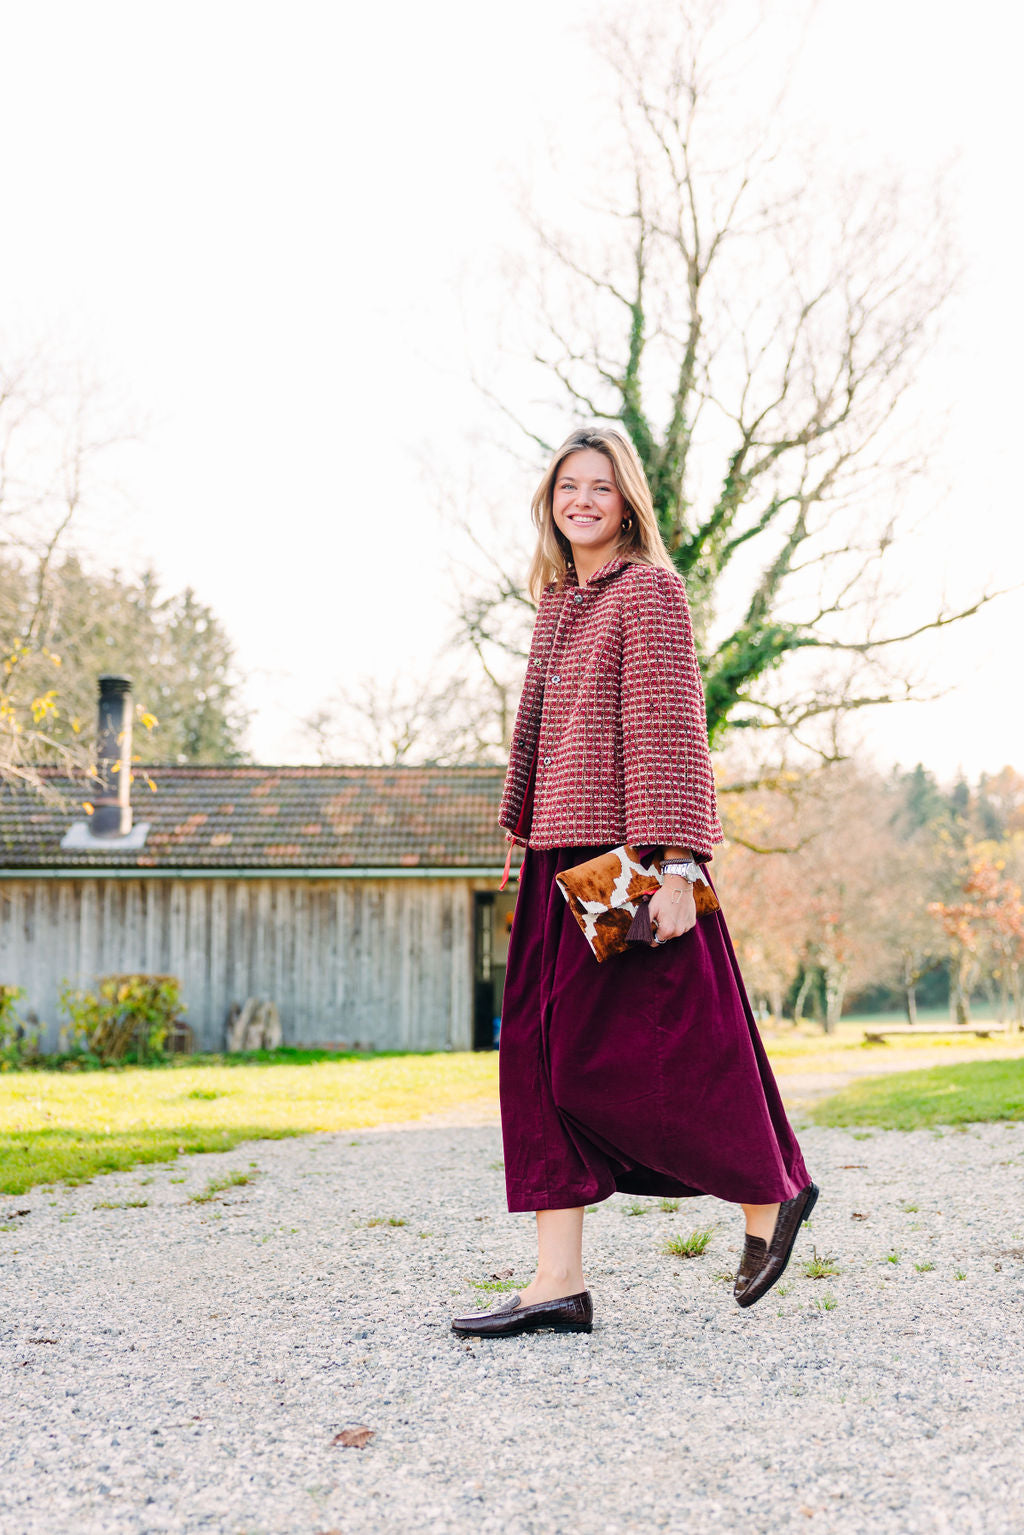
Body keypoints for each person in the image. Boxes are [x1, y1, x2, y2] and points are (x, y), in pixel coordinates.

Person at [451, 426, 817, 1340]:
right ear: (551, 503)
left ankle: (769, 1193)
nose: (582, 500)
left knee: (659, 1050)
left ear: (626, 505)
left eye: (600, 487)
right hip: (556, 858)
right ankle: (556, 1281)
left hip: (627, 862)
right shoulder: (557, 602)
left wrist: (680, 866)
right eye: (567, 486)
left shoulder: (648, 590)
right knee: (535, 1061)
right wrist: (526, 829)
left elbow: (671, 729)